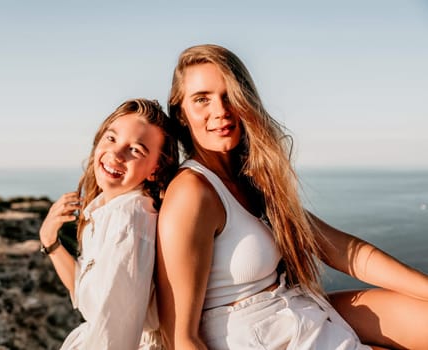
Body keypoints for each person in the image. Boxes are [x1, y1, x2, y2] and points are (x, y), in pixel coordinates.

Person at [155, 44, 428, 350]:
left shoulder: (250, 181)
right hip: (263, 337)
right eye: (202, 99)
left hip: (297, 315)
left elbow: (343, 251)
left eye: (229, 95)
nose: (220, 110)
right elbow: (180, 338)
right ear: (180, 112)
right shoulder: (192, 192)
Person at [39, 98, 178, 349]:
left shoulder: (128, 221)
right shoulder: (109, 209)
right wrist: (50, 241)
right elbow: (90, 296)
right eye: (111, 138)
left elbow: (114, 334)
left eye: (135, 149)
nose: (115, 154)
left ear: (155, 169)